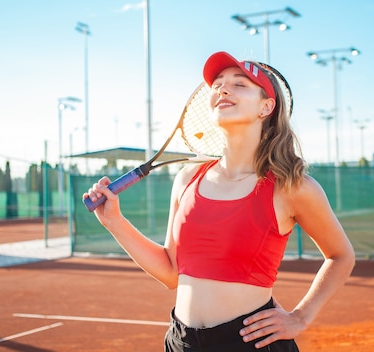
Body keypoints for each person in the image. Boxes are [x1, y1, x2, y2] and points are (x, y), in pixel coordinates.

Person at [83, 51, 355, 351]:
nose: (223, 89)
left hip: (249, 342)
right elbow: (171, 272)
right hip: (181, 341)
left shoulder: (292, 187)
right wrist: (114, 223)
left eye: (240, 84)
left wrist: (301, 317)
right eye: (219, 84)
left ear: (266, 107)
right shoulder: (187, 179)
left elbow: (341, 256)